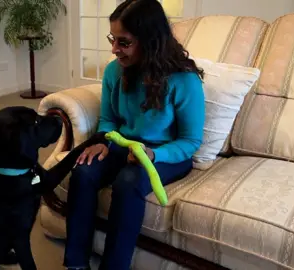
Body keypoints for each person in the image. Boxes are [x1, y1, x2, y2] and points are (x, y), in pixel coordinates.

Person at [63, 0, 205, 269]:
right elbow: (108, 119)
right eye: (112, 39)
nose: (114, 49)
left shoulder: (184, 79)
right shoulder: (114, 71)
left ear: (150, 41)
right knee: (83, 170)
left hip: (166, 153)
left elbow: (190, 141)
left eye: (124, 42)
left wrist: (154, 154)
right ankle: (76, 264)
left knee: (128, 182)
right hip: (124, 144)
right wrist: (103, 141)